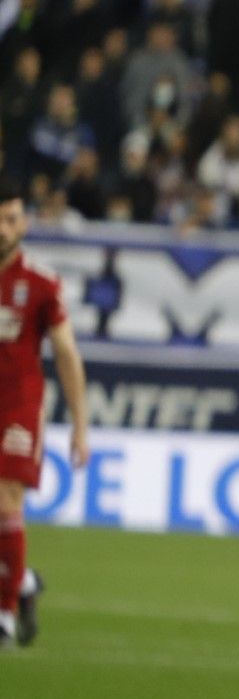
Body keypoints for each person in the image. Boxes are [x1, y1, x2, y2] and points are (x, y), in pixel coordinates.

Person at [0, 179, 90, 647]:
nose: (2, 229)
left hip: (17, 405)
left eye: (11, 219)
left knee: (6, 500)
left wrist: (80, 425)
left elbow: (66, 353)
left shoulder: (41, 283)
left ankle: (6, 615)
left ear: (25, 223)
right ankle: (24, 583)